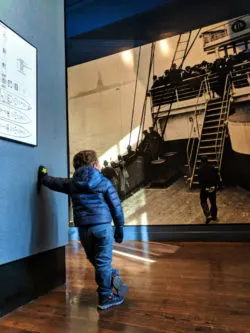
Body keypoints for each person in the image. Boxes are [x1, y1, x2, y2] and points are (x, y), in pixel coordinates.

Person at [37, 150, 128, 310]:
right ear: (95, 165)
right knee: (102, 262)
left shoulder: (72, 183)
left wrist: (43, 177)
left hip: (84, 230)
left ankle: (110, 275)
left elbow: (54, 182)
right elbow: (116, 206)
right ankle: (106, 296)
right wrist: (119, 227)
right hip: (102, 228)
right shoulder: (103, 182)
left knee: (96, 260)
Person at [197, 156, 221, 224]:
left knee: (203, 201)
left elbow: (200, 181)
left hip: (205, 189)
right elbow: (217, 178)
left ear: (201, 162)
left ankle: (208, 215)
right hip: (212, 188)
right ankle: (214, 216)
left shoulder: (200, 170)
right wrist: (216, 186)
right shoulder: (213, 168)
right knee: (213, 202)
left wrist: (204, 187)